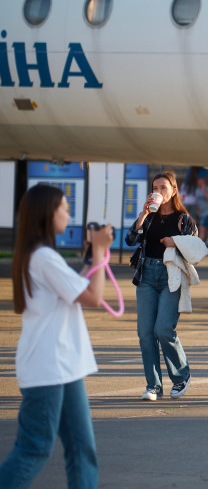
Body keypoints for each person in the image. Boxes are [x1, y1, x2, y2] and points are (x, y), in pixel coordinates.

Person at [0, 185, 113, 488]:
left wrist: (92, 259)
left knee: (82, 449)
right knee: (34, 449)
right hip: (48, 368)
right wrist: (100, 251)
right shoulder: (44, 257)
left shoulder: (38, 255)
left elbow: (73, 288)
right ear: (48, 215)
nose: (68, 213)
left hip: (63, 366)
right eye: (63, 207)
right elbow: (92, 297)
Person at [125, 172, 198, 401]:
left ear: (174, 191)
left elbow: (194, 250)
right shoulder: (147, 216)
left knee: (163, 329)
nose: (158, 191)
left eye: (164, 187)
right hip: (146, 275)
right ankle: (153, 386)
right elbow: (130, 240)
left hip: (171, 277)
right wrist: (143, 214)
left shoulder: (183, 219)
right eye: (155, 187)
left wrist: (175, 241)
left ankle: (181, 376)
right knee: (145, 333)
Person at [193, 168, 208, 250]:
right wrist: (197, 211)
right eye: (198, 180)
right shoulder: (197, 190)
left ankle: (196, 248)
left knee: (202, 230)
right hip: (202, 214)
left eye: (200, 180)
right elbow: (197, 201)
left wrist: (204, 190)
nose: (199, 182)